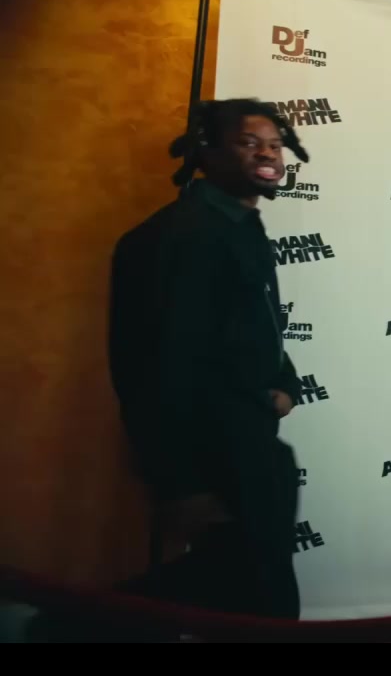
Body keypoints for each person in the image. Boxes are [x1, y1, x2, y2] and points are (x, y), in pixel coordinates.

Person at [102, 98, 310, 637]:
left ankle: (54, 623)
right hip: (212, 451)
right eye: (248, 143)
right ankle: (52, 624)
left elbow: (253, 324)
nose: (267, 154)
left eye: (274, 144)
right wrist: (181, 482)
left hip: (250, 441)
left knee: (245, 589)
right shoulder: (183, 235)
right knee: (258, 598)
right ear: (208, 153)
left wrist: (284, 384)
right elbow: (154, 366)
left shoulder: (240, 225)